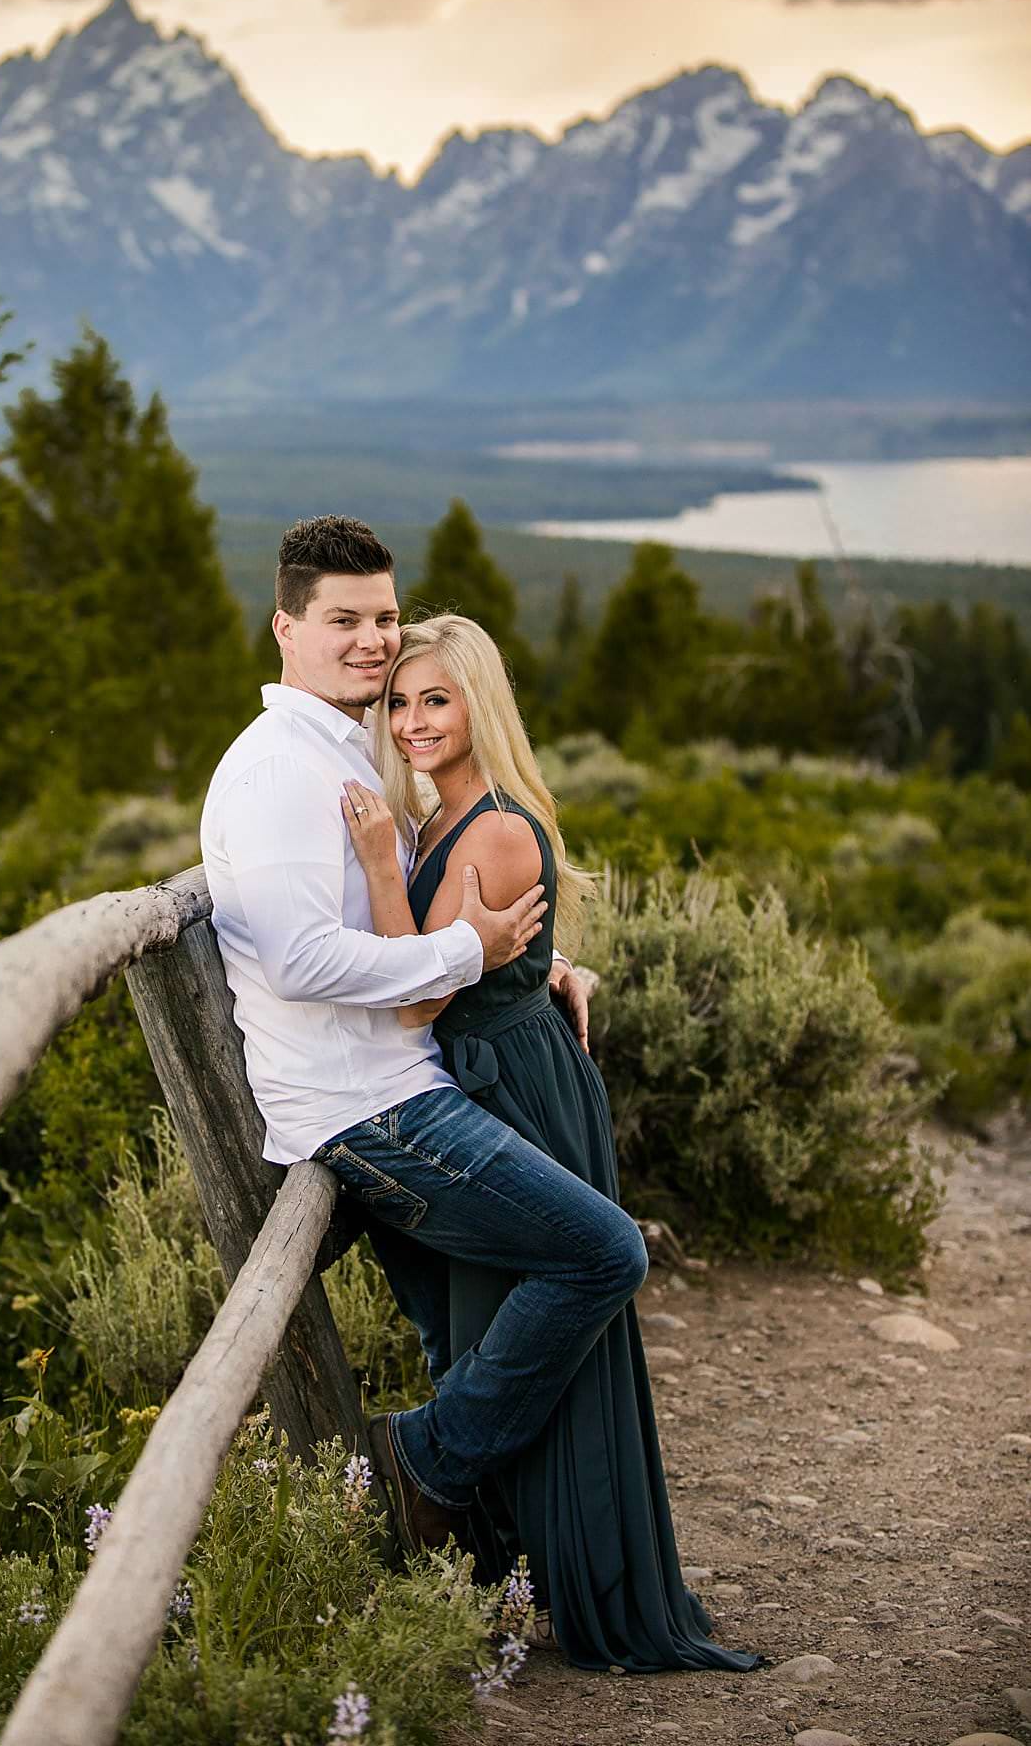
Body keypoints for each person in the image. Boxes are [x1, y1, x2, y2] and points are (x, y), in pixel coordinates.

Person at [200, 514, 649, 1568]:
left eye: (384, 618)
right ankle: (425, 1463)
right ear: (285, 627)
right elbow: (303, 959)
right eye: (343, 619)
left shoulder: (345, 749)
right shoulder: (274, 771)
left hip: (407, 1077)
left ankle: (484, 1560)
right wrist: (461, 951)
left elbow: (430, 902)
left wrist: (528, 964)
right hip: (370, 1108)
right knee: (602, 1251)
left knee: (465, 1330)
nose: (370, 640)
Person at [338, 610, 763, 1673]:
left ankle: (482, 1511)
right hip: (506, 1071)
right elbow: (495, 954)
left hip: (513, 1084)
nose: (414, 718)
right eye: (400, 700)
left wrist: (382, 870)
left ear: (480, 700)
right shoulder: (444, 812)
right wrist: (552, 965)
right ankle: (494, 1563)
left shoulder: (484, 824)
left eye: (437, 697)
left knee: (534, 1312)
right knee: (494, 1338)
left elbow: (413, 1004)